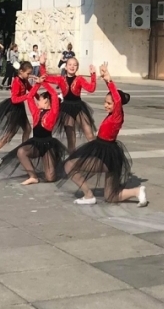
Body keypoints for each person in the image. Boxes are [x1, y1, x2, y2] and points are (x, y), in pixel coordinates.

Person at [62, 63, 148, 206]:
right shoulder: (111, 115)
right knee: (110, 196)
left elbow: (117, 99)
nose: (106, 105)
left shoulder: (117, 115)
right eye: (105, 102)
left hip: (107, 154)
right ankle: (138, 191)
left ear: (116, 105)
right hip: (108, 153)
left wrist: (109, 80)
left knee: (69, 166)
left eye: (109, 103)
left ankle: (88, 195)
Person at [0, 79, 67, 185]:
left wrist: (44, 83)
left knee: (50, 178)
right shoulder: (36, 112)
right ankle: (33, 176)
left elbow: (54, 95)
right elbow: (29, 97)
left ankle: (52, 161)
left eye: (40, 100)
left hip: (48, 145)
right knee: (21, 151)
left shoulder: (53, 112)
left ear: (46, 101)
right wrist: (37, 84)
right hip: (35, 144)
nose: (38, 101)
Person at [0, 61, 36, 161]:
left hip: (19, 108)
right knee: (10, 133)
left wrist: (39, 93)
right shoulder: (16, 81)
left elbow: (31, 89)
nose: (29, 75)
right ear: (21, 71)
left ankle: (24, 150)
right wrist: (27, 96)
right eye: (28, 73)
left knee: (28, 129)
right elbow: (14, 99)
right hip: (13, 109)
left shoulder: (24, 80)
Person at [51, 58, 97, 153]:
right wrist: (42, 64)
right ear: (66, 67)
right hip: (66, 109)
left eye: (75, 65)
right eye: (70, 64)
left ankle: (97, 156)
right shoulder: (60, 79)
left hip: (79, 107)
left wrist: (93, 75)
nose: (72, 66)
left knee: (90, 135)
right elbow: (45, 78)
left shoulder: (79, 79)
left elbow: (91, 89)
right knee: (71, 140)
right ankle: (72, 160)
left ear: (77, 67)